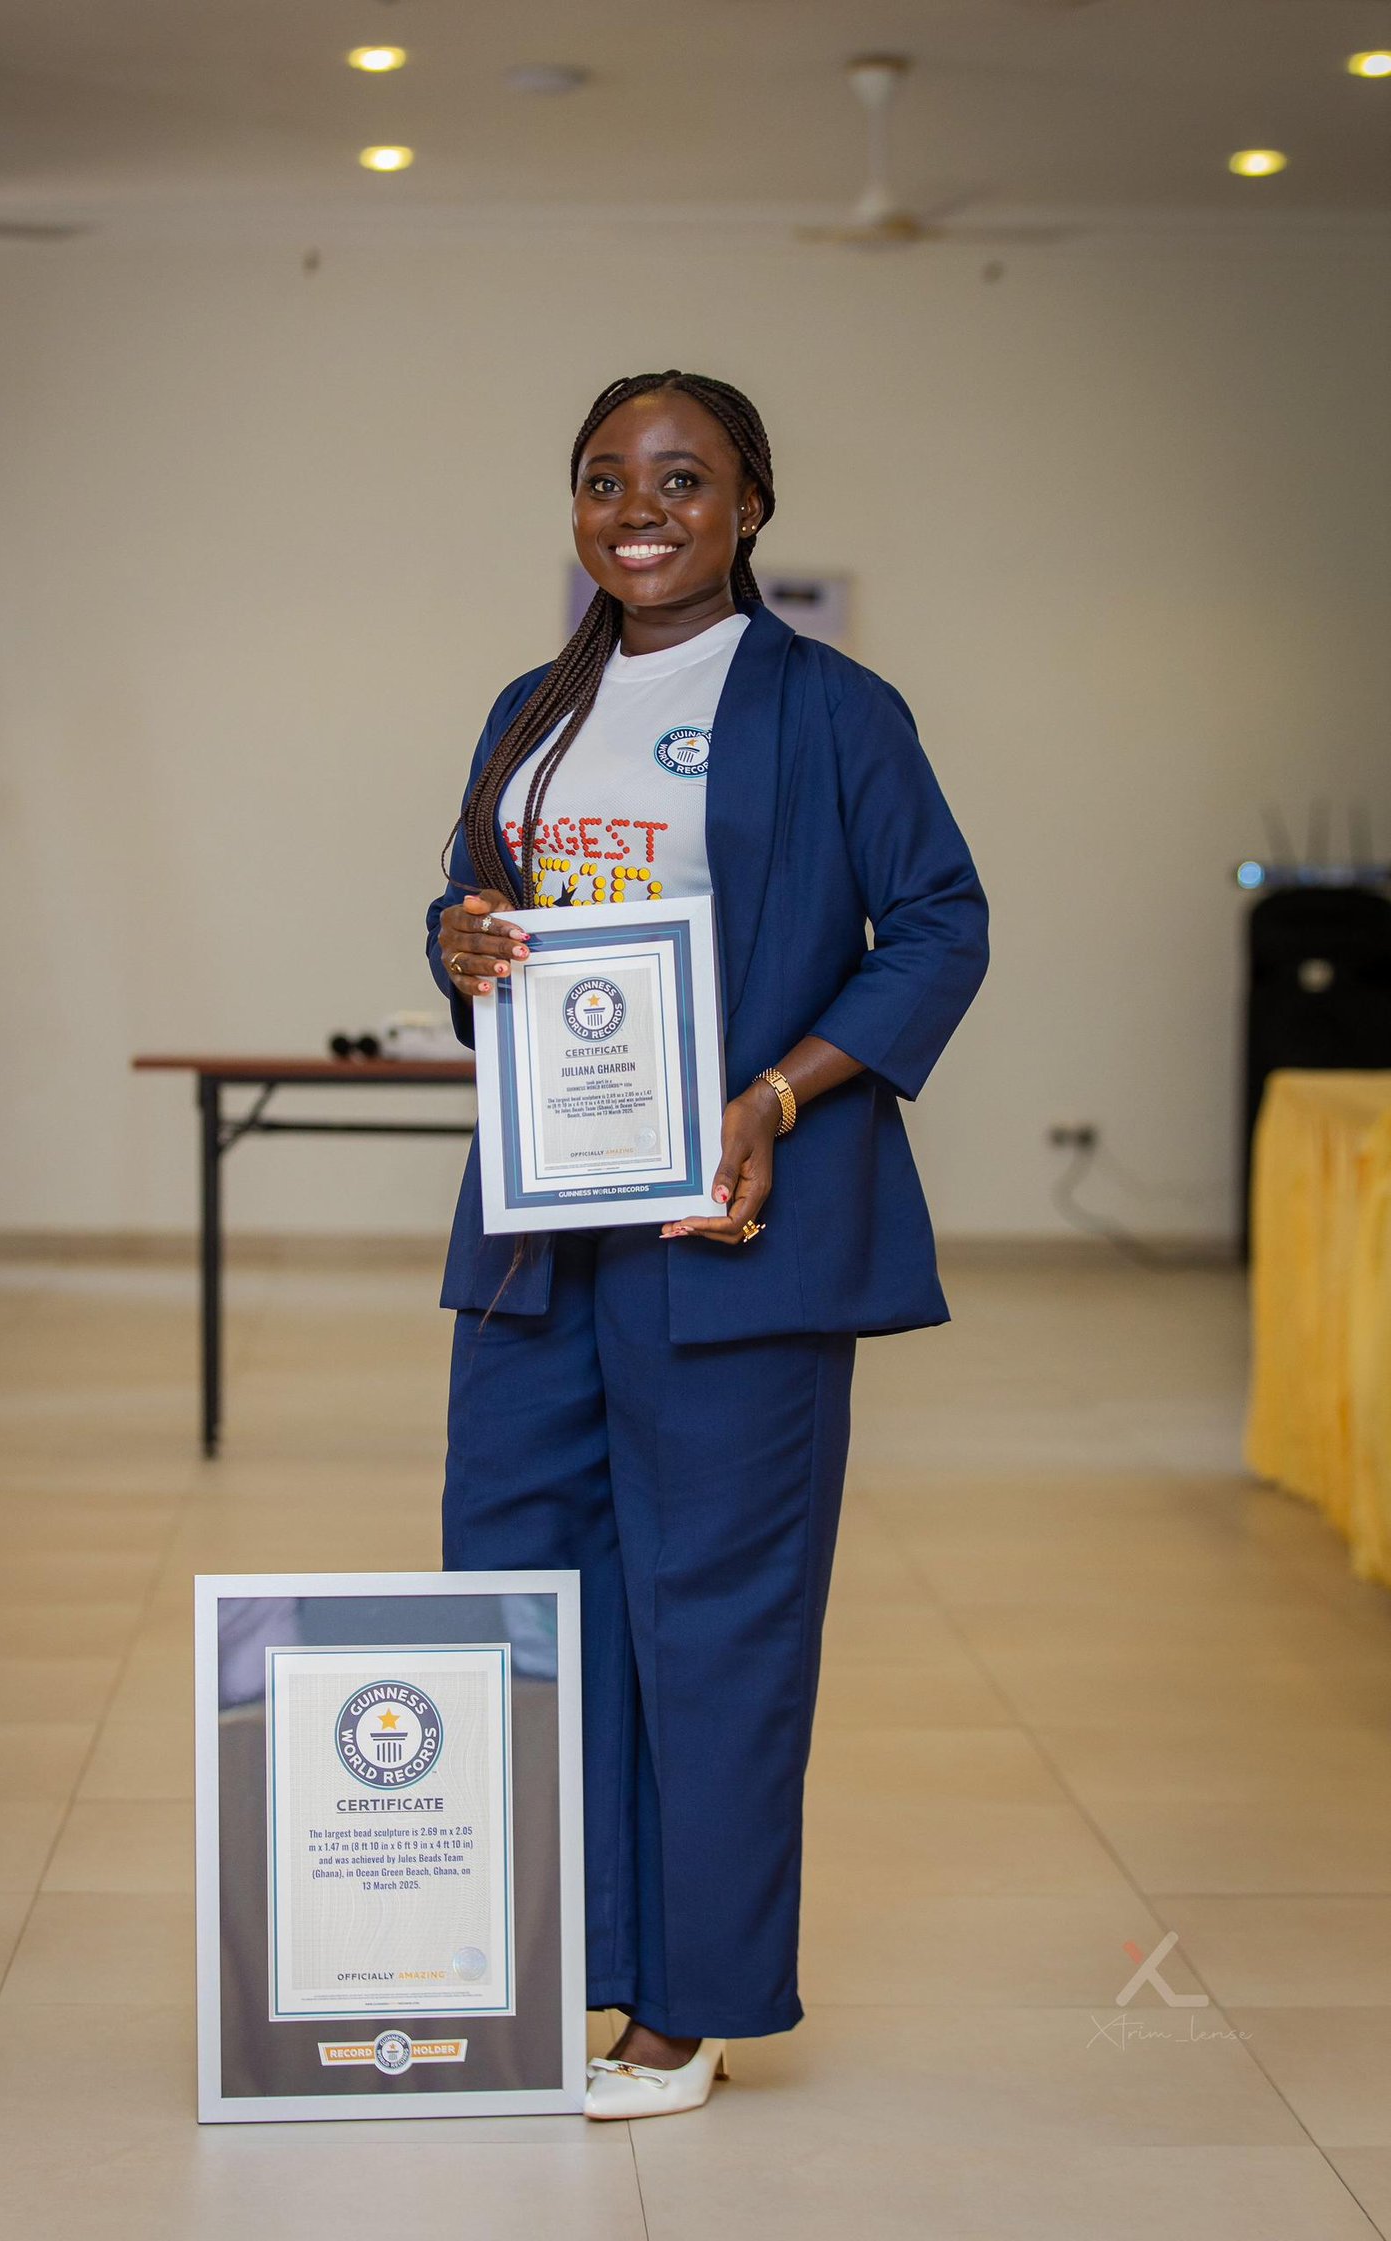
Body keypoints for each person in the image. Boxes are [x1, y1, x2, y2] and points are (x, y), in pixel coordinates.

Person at [425, 369, 988, 2119]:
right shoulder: (532, 708)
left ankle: (691, 2003)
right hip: (542, 1240)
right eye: (604, 477)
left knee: (715, 1619)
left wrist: (778, 1094)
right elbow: (473, 912)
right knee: (530, 1598)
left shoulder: (828, 707)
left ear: (751, 505)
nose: (638, 505)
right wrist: (459, 941)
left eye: (682, 476)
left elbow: (941, 928)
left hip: (731, 1232)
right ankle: (555, 1969)